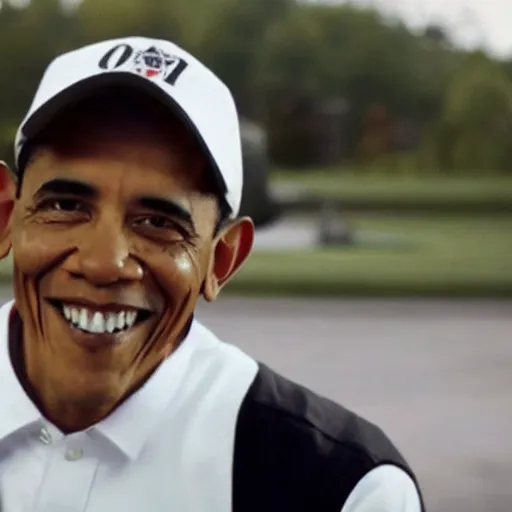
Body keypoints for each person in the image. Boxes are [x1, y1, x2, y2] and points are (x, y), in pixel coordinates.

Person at [0, 37, 425, 511]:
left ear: (222, 260)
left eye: (159, 223)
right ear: (5, 215)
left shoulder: (345, 490)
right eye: (65, 206)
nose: (103, 263)